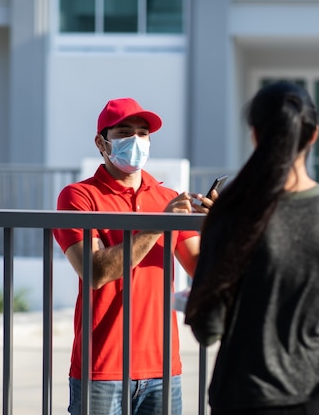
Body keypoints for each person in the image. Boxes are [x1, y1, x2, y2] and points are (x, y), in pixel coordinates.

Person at [184, 81, 319, 415]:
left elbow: (208, 329)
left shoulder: (230, 215)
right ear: (314, 135)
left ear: (255, 136)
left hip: (245, 396)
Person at [53, 97, 214, 415]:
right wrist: (160, 225)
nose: (136, 141)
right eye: (125, 133)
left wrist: (219, 229)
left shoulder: (166, 198)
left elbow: (203, 270)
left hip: (163, 368)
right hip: (101, 369)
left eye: (143, 133)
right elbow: (95, 271)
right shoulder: (78, 196)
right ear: (102, 142)